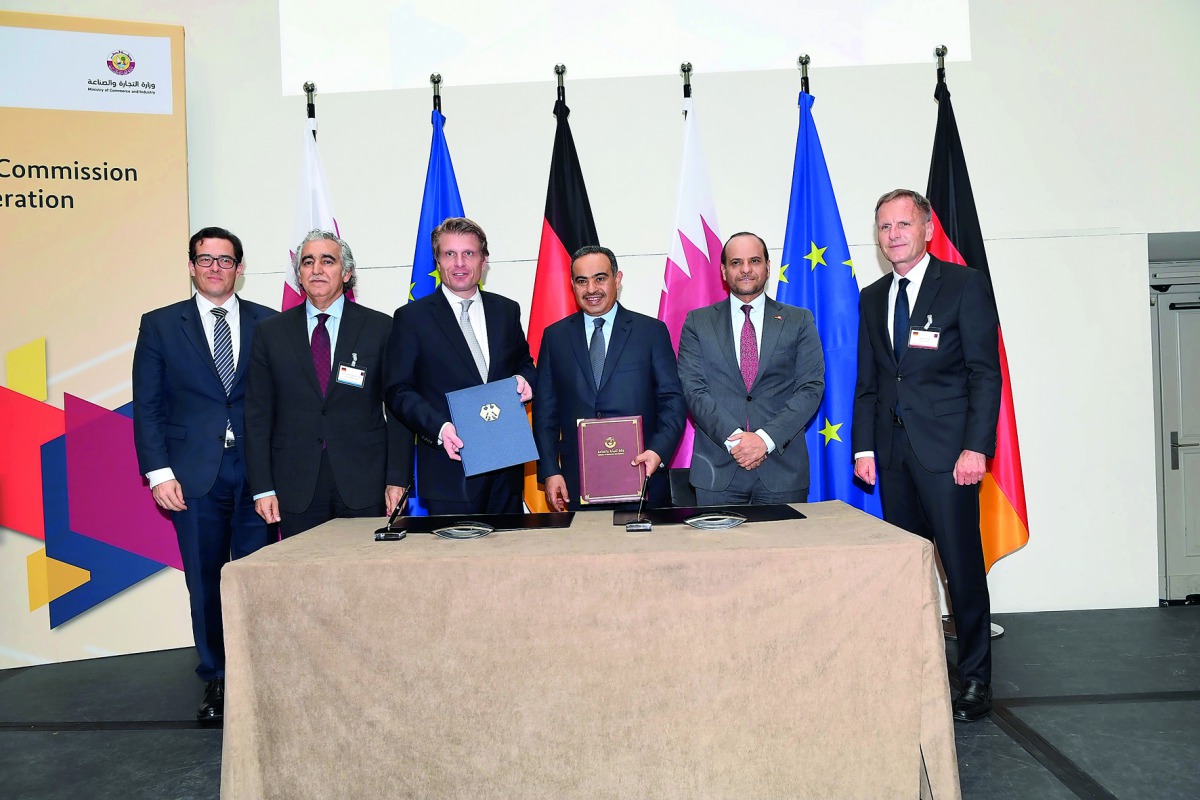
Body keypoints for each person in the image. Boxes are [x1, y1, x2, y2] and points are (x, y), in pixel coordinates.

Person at [852, 188, 1001, 722]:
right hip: (891, 458)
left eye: (902, 225)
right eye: (884, 227)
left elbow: (985, 375)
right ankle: (921, 669)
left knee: (960, 569)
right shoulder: (872, 297)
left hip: (949, 456)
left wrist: (976, 448)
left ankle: (977, 679)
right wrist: (864, 447)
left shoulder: (963, 285)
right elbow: (870, 381)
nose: (893, 235)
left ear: (927, 229)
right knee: (911, 570)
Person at [132, 226, 276, 720]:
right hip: (193, 478)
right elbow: (148, 407)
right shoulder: (160, 325)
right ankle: (216, 678)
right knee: (207, 582)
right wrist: (157, 473)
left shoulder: (270, 323)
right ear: (192, 266)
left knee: (256, 581)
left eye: (226, 259)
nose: (216, 268)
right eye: (206, 259)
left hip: (259, 477)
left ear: (240, 267)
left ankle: (259, 676)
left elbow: (282, 405)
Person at [244, 230, 411, 537]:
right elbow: (257, 415)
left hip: (364, 481)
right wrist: (262, 487)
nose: (317, 269)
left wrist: (397, 478)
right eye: (308, 262)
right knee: (303, 580)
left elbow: (398, 408)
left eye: (327, 261)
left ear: (346, 272)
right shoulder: (270, 332)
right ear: (299, 275)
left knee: (364, 578)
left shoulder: (380, 328)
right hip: (295, 483)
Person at [384, 217, 536, 515]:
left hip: (506, 470)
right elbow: (398, 390)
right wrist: (439, 429)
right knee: (456, 561)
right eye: (449, 254)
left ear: (484, 260)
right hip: (449, 470)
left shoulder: (506, 310)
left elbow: (524, 363)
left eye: (469, 253)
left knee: (510, 560)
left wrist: (524, 379)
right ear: (438, 263)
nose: (459, 263)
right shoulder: (412, 318)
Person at [676, 231, 825, 505]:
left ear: (768, 267)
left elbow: (810, 388)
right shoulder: (698, 323)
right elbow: (693, 390)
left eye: (754, 261)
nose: (745, 269)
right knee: (719, 549)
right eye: (736, 262)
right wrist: (736, 442)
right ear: (723, 270)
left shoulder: (799, 320)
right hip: (716, 472)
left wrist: (764, 440)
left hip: (782, 471)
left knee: (784, 549)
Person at [533, 245, 686, 511]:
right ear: (572, 285)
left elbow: (672, 402)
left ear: (617, 279)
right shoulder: (554, 337)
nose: (591, 289)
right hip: (576, 486)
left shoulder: (650, 332)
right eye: (582, 281)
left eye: (600, 278)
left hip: (642, 477)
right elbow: (545, 412)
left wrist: (658, 452)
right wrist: (549, 470)